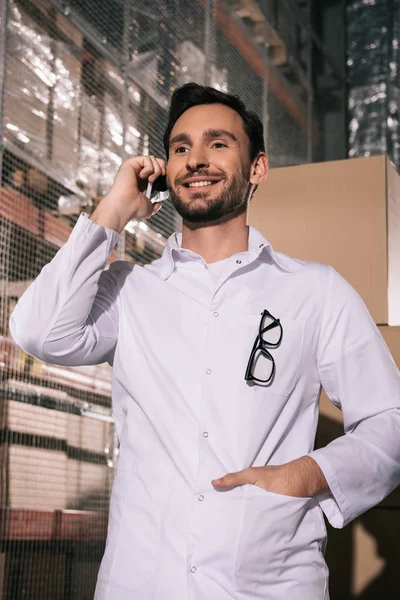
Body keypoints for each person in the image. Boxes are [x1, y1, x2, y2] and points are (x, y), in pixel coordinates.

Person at [9, 82, 400, 600]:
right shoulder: (130, 290)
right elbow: (38, 331)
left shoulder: (315, 290)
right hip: (141, 584)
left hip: (268, 585)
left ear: (257, 168)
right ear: (165, 172)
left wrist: (308, 475)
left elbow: (390, 421)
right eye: (180, 147)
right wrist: (113, 211)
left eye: (218, 144)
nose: (196, 159)